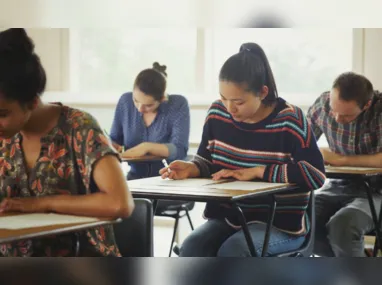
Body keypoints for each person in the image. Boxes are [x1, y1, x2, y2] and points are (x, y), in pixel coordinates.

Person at [159, 42, 326, 257]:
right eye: (223, 98)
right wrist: (191, 168)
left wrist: (260, 172)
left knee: (234, 251)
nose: (230, 108)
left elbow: (316, 175)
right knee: (192, 247)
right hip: (230, 217)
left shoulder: (290, 119)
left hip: (280, 224)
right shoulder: (217, 114)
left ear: (263, 92)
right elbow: (209, 163)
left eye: (238, 101)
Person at [0, 28, 135, 257]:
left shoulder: (79, 128)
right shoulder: (7, 134)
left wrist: (42, 204)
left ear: (32, 102)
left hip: (81, 265)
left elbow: (120, 203)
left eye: (2, 113)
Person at [306, 72, 382, 257]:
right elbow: (300, 145)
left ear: (366, 105)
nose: (338, 118)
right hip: (337, 186)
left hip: (377, 191)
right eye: (334, 110)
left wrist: (342, 160)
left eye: (346, 115)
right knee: (302, 221)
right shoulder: (321, 105)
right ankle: (349, 269)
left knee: (343, 226)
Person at [109, 62, 190, 180]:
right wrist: (111, 146)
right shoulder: (125, 101)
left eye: (148, 105)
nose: (140, 109)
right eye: (136, 101)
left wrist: (147, 147)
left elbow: (179, 149)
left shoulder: (177, 105)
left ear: (162, 99)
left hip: (168, 177)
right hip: (134, 178)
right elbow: (115, 139)